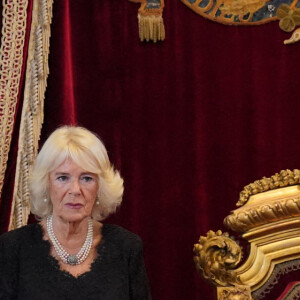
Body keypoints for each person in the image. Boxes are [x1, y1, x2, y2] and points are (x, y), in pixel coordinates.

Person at [0, 126, 151, 299]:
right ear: (46, 184)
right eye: (63, 178)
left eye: (87, 178)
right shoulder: (13, 248)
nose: (75, 190)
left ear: (100, 187)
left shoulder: (126, 248)